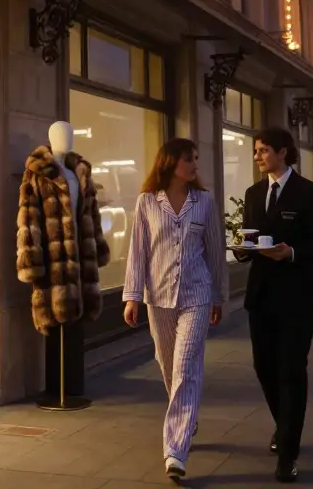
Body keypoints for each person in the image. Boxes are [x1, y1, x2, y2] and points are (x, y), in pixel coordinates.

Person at [231, 127, 313, 483]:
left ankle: (288, 451)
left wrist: (292, 252)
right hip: (260, 296)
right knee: (264, 368)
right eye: (256, 151)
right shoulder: (253, 193)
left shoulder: (309, 193)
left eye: (263, 150)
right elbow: (250, 240)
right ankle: (286, 425)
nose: (257, 156)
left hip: (298, 298)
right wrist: (243, 250)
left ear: (283, 152)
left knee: (292, 370)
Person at [123, 138, 228, 481]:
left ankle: (175, 451)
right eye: (189, 159)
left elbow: (215, 250)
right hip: (159, 297)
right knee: (168, 365)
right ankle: (187, 415)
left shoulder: (205, 202)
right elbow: (138, 252)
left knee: (185, 366)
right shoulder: (147, 203)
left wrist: (219, 296)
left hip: (196, 295)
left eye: (196, 158)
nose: (195, 164)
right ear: (171, 163)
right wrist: (132, 296)